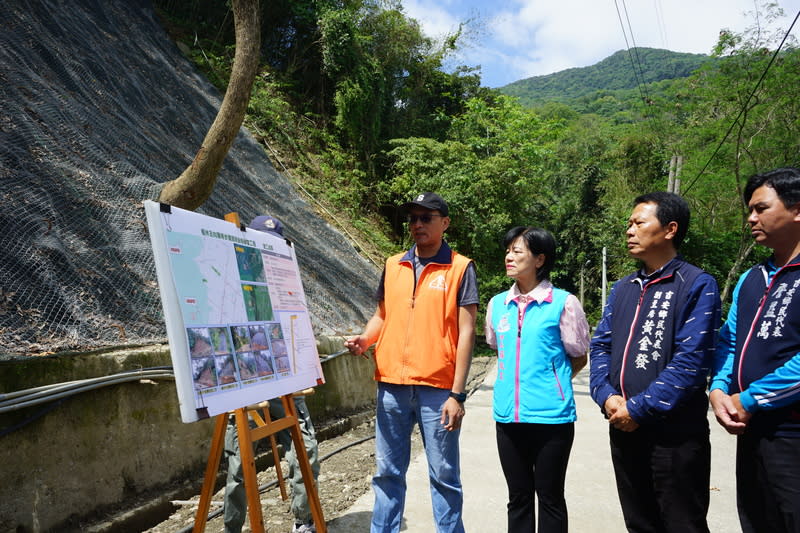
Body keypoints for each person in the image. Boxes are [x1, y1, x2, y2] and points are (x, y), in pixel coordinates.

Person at [344, 192, 478, 533]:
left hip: (438, 391)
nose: (417, 224)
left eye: (425, 218)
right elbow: (382, 316)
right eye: (412, 218)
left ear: (444, 223)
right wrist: (365, 339)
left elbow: (466, 333)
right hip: (392, 387)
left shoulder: (460, 267)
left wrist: (457, 394)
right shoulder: (393, 265)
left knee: (444, 475)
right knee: (387, 473)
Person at [588, 191, 721, 533]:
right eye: (628, 224)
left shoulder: (695, 284)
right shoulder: (622, 289)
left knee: (681, 523)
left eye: (638, 222)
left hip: (674, 437)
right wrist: (607, 396)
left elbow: (691, 363)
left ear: (670, 229)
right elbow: (601, 346)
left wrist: (639, 409)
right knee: (639, 522)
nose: (629, 230)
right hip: (622, 427)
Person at [709, 167, 800, 533]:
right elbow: (730, 340)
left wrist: (749, 399)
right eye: (750, 209)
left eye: (761, 208)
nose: (751, 218)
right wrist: (718, 388)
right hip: (752, 431)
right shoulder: (752, 278)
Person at [485, 227, 589, 532]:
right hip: (507, 417)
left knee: (550, 497)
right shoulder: (497, 305)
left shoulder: (563, 303)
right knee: (517, 497)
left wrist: (552, 383)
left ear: (540, 259)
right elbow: (497, 346)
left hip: (552, 419)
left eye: (518, 251)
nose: (509, 256)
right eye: (508, 250)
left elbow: (579, 354)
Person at [223, 214, 321, 533]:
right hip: (244, 379)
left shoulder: (284, 284)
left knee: (305, 449)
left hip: (283, 379)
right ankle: (232, 527)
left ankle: (304, 520)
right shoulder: (229, 281)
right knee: (239, 462)